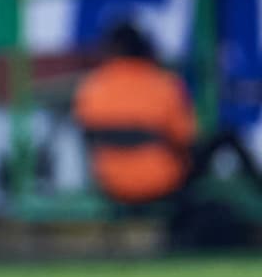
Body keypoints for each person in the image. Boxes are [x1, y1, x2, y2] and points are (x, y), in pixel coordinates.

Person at [73, 20, 262, 243]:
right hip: (163, 182)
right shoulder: (163, 83)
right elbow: (187, 139)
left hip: (111, 183)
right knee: (226, 136)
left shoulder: (91, 86)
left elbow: (86, 137)